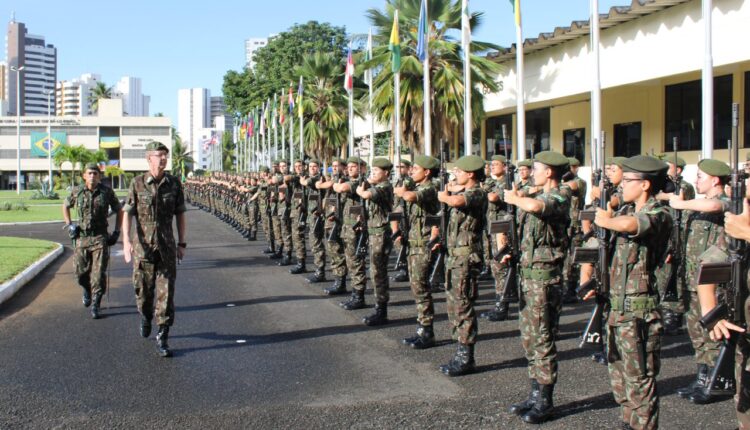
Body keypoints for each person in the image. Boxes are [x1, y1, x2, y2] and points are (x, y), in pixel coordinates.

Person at [585, 155, 672, 430]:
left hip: (639, 311)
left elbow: (632, 226)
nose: (621, 184)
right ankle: (628, 422)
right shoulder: (622, 211)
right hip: (616, 306)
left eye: (628, 180)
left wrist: (605, 219)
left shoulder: (658, 214)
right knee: (619, 376)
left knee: (640, 381)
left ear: (645, 184)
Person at [504, 151, 570, 424]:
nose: (532, 173)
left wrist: (516, 198)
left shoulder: (559, 195)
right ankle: (534, 393)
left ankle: (546, 400)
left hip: (545, 278)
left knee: (543, 339)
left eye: (537, 169)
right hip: (528, 276)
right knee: (530, 338)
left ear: (550, 173)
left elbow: (537, 207)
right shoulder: (535, 194)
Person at [669, 158, 731, 404]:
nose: (697, 181)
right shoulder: (697, 206)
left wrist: (681, 203)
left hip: (712, 282)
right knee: (697, 333)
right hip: (691, 279)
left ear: (715, 180)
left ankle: (718, 381)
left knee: (712, 334)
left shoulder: (725, 202)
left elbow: (716, 205)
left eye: (701, 177)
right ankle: (703, 376)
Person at [122, 141, 187, 358]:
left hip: (166, 247)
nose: (163, 159)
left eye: (165, 155)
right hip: (143, 249)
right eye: (159, 155)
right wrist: (126, 241)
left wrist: (182, 243)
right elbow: (128, 213)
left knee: (166, 294)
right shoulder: (137, 183)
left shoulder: (174, 184)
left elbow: (180, 214)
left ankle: (163, 336)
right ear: (149, 158)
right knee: (143, 293)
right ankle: (145, 316)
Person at [436, 155, 487, 377]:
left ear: (471, 174)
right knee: (454, 305)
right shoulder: (463, 189)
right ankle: (460, 350)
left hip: (466, 259)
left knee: (463, 306)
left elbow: (457, 201)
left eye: (459, 171)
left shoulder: (477, 192)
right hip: (455, 257)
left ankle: (466, 356)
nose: (455, 174)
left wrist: (444, 196)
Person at [63, 162, 123, 319]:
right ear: (84, 176)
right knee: (80, 273)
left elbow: (119, 210)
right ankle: (86, 290)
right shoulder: (77, 191)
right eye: (89, 173)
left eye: (95, 173)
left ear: (99, 176)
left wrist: (116, 232)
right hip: (82, 237)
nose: (92, 176)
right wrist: (70, 225)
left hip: (99, 237)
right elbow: (65, 206)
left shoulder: (107, 192)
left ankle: (96, 304)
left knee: (98, 274)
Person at [397, 155, 440, 348]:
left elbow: (409, 196)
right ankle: (422, 327)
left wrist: (402, 189)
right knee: (417, 288)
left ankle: (427, 331)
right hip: (414, 243)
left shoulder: (430, 188)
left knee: (421, 287)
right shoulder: (417, 186)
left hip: (424, 244)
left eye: (416, 168)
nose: (412, 171)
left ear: (427, 171)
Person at [356, 157, 394, 325]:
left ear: (386, 173)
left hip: (381, 234)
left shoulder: (385, 187)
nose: (373, 173)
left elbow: (365, 194)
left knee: (378, 272)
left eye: (377, 171)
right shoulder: (377, 186)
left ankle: (381, 310)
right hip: (373, 232)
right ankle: (379, 307)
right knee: (375, 271)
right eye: (372, 170)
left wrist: (361, 188)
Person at [481, 155, 512, 322]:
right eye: (491, 164)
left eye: (496, 164)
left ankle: (502, 305)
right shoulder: (493, 183)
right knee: (496, 267)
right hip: (492, 228)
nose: (492, 167)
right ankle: (500, 302)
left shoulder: (506, 183)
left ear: (505, 166)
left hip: (502, 230)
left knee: (501, 268)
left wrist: (481, 191)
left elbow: (493, 197)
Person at [337, 157, 369, 310]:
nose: (349, 169)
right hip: (348, 228)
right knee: (351, 262)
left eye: (353, 166)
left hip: (356, 229)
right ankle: (355, 294)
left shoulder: (360, 182)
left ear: (362, 168)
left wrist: (337, 184)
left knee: (356, 263)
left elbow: (342, 188)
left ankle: (359, 296)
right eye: (348, 166)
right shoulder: (349, 180)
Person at [301, 159, 326, 283]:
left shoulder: (317, 179)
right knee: (313, 243)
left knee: (316, 243)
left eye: (315, 166)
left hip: (317, 215)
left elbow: (305, 182)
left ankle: (320, 272)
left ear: (319, 168)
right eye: (310, 166)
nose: (312, 168)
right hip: (310, 215)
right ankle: (319, 270)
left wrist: (302, 179)